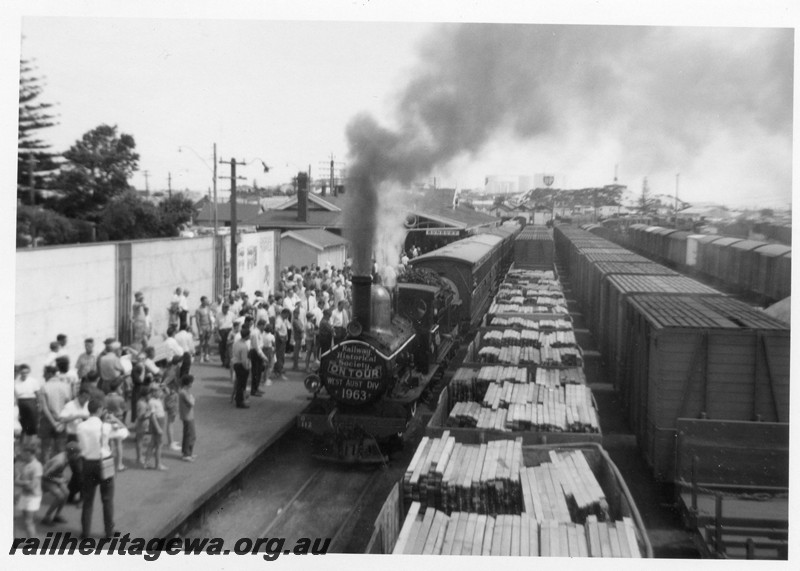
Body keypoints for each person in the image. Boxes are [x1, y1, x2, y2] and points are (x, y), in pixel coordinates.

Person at [77, 399, 123, 539]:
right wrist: (114, 419)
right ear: (100, 409)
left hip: (88, 462)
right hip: (106, 461)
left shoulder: (81, 426)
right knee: (108, 499)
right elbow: (124, 432)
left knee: (88, 500)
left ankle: (85, 532)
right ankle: (109, 532)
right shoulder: (106, 426)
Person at [38, 357, 73, 463]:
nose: (43, 376)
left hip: (48, 421)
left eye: (44, 373)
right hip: (62, 421)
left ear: (49, 373)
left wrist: (53, 423)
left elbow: (44, 407)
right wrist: (61, 422)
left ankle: (46, 472)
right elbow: (68, 405)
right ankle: (59, 473)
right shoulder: (66, 386)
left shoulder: (44, 387)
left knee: (46, 448)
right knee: (61, 448)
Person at [41, 442, 80, 525]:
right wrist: (57, 480)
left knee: (66, 492)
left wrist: (61, 477)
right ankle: (46, 517)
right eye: (77, 454)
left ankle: (57, 515)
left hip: (54, 477)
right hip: (46, 479)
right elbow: (45, 475)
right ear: (72, 454)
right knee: (60, 496)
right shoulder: (60, 461)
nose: (78, 456)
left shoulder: (67, 456)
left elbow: (59, 471)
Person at [15, 443, 43, 537]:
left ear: (29, 453)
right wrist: (25, 482)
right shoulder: (24, 464)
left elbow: (32, 486)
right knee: (26, 521)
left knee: (28, 522)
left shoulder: (37, 466)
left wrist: (23, 482)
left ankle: (34, 544)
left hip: (33, 497)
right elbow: (16, 481)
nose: (21, 455)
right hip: (24, 495)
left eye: (23, 453)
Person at [15, 364, 42, 444]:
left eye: (26, 372)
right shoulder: (16, 382)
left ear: (29, 372)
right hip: (20, 403)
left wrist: (39, 405)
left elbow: (38, 394)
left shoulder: (33, 381)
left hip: (31, 402)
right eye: (22, 372)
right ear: (19, 372)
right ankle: (21, 444)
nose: (24, 374)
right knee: (21, 425)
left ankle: (30, 445)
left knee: (32, 425)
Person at [146, 386, 168, 470]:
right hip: (157, 423)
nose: (160, 393)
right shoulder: (152, 402)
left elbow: (166, 393)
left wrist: (164, 388)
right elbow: (153, 416)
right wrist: (158, 428)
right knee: (159, 444)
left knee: (152, 443)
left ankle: (146, 462)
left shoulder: (157, 399)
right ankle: (158, 464)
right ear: (153, 393)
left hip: (160, 421)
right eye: (158, 391)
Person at [231, 327, 251, 408]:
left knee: (238, 382)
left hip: (235, 363)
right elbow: (243, 360)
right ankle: (240, 402)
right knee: (242, 385)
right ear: (246, 336)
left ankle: (237, 399)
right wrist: (246, 368)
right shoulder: (244, 346)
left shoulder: (236, 343)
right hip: (241, 365)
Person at [178, 375, 196, 461]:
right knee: (190, 435)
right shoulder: (184, 393)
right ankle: (186, 454)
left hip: (189, 415)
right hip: (187, 416)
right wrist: (192, 398)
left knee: (189, 435)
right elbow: (191, 402)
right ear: (188, 383)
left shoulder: (185, 391)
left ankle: (188, 452)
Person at [249, 320, 268, 397]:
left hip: (258, 351)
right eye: (264, 326)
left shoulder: (259, 332)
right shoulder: (255, 333)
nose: (264, 328)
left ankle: (256, 387)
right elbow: (257, 347)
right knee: (256, 372)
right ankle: (254, 390)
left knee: (259, 371)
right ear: (260, 325)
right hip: (255, 352)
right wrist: (263, 356)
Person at [194, 296, 215, 362]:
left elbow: (209, 318)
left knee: (207, 342)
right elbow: (197, 320)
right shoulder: (198, 310)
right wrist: (199, 329)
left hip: (208, 326)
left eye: (207, 301)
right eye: (205, 301)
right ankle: (201, 356)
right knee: (201, 342)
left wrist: (211, 327)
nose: (207, 302)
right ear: (202, 301)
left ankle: (206, 355)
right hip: (202, 326)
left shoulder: (208, 308)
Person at [273, 309, 290, 381]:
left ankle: (279, 370)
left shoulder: (282, 319)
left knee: (281, 355)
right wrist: (280, 338)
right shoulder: (279, 320)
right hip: (280, 340)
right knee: (280, 355)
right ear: (284, 313)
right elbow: (276, 330)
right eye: (287, 315)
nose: (287, 316)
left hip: (282, 339)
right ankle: (278, 371)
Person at [216, 303, 234, 368]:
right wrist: (218, 335)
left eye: (227, 308)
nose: (226, 309)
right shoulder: (218, 315)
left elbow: (234, 324)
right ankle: (223, 361)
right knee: (222, 348)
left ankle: (228, 362)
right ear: (222, 308)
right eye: (224, 308)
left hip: (230, 331)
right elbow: (216, 326)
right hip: (222, 331)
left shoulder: (231, 314)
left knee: (229, 348)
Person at [292, 306, 304, 371]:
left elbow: (302, 327)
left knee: (297, 351)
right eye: (296, 313)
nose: (297, 314)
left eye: (298, 313)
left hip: (299, 337)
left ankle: (296, 365)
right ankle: (295, 366)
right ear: (294, 314)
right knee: (296, 352)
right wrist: (302, 329)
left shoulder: (298, 320)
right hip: (297, 337)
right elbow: (300, 328)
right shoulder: (295, 321)